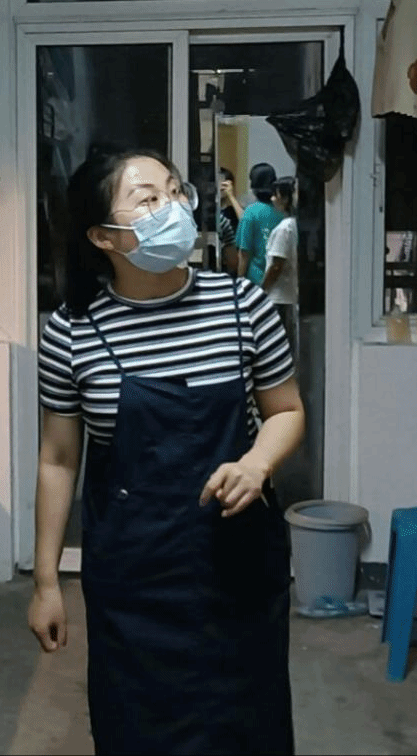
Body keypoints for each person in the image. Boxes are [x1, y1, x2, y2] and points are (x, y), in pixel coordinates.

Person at [27, 146, 305, 755]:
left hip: (237, 573)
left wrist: (256, 463)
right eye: (148, 199)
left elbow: (286, 411)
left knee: (247, 732)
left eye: (175, 191)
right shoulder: (72, 332)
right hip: (134, 582)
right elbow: (58, 460)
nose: (173, 207)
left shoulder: (242, 305)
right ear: (102, 236)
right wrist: (47, 580)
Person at [262, 177, 299, 359]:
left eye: (275, 195)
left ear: (285, 198)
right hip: (289, 296)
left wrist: (263, 289)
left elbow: (277, 265)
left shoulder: (284, 229)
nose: (272, 199)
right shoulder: (294, 225)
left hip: (279, 297)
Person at [235, 161, 284, 285]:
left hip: (255, 281)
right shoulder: (283, 211)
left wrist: (239, 280)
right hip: (280, 280)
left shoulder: (250, 212)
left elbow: (244, 253)